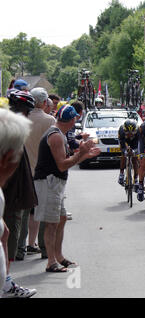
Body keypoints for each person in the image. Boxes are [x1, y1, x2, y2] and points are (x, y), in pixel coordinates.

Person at [34, 105, 100, 273]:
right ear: (73, 120)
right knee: (51, 223)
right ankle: (51, 262)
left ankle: (58, 256)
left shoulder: (58, 133)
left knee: (61, 218)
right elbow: (62, 165)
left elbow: (66, 161)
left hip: (54, 183)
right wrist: (81, 153)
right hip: (49, 182)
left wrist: (85, 154)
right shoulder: (56, 136)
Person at [2, 91, 38, 297]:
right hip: (9, 198)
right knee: (8, 236)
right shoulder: (9, 133)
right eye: (26, 112)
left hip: (10, 196)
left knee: (6, 235)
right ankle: (5, 282)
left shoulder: (10, 130)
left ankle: (6, 281)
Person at [18, 88, 56, 260]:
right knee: (41, 211)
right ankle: (43, 248)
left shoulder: (21, 120)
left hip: (24, 171)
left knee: (23, 213)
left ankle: (19, 248)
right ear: (43, 102)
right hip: (43, 172)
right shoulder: (49, 121)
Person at [117, 120, 140, 190]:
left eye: (132, 133)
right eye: (128, 133)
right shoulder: (121, 130)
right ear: (125, 131)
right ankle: (121, 174)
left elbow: (138, 144)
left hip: (135, 142)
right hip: (125, 141)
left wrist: (134, 151)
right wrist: (125, 150)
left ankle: (136, 179)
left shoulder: (139, 131)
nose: (130, 134)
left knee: (135, 159)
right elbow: (122, 145)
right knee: (123, 155)